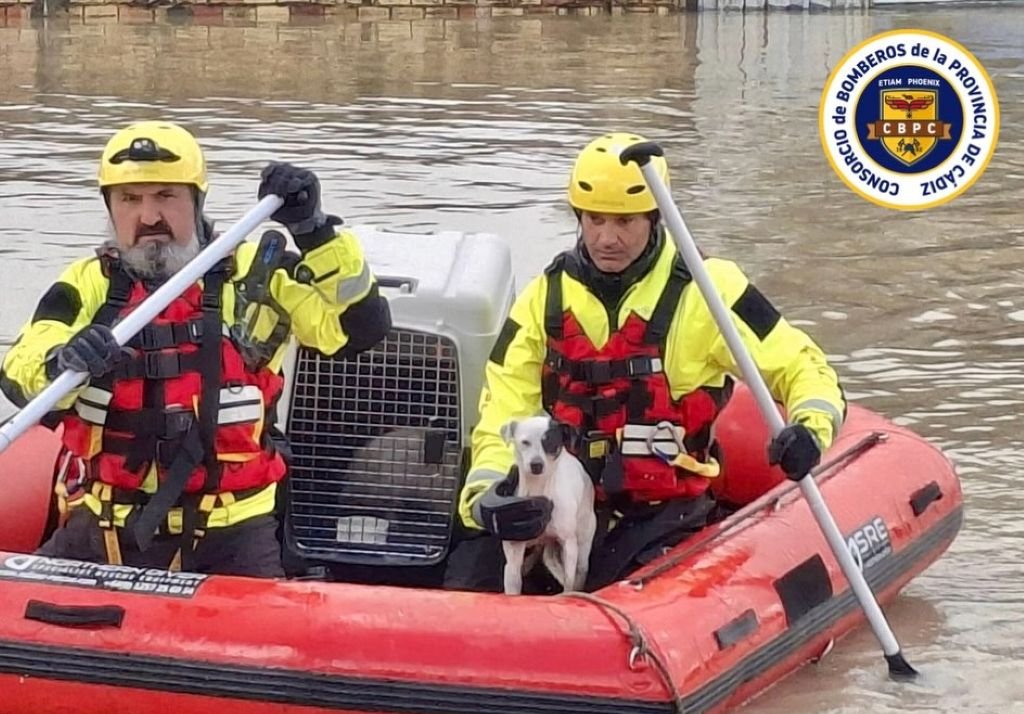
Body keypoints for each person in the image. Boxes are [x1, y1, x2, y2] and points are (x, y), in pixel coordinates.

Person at [444, 132, 845, 593]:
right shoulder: (543, 298)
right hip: (559, 502)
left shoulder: (710, 291)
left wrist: (810, 430)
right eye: (594, 220)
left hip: (661, 512)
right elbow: (503, 412)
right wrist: (488, 497)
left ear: (655, 218)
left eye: (624, 222)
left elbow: (802, 366)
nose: (606, 238)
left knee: (629, 602)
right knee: (468, 579)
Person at [0, 121, 391, 577]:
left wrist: (316, 235)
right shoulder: (88, 284)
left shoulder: (255, 276)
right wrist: (62, 360)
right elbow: (21, 367)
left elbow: (358, 328)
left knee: (268, 640)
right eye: (130, 200)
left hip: (233, 531)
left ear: (196, 201)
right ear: (110, 208)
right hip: (105, 524)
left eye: (166, 196)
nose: (148, 217)